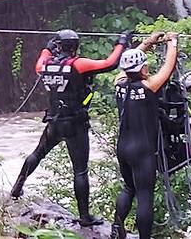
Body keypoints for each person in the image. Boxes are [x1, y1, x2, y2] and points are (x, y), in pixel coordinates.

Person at [10, 29, 128, 226]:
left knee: (38, 153)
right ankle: (84, 216)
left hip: (54, 122)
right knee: (80, 170)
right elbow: (111, 63)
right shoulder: (78, 64)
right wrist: (122, 42)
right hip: (75, 124)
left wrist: (48, 48)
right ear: (75, 46)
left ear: (59, 46)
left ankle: (17, 187)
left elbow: (42, 57)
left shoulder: (44, 65)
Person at [111, 32, 178, 239]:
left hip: (123, 148)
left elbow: (127, 65)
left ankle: (116, 230)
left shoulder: (119, 83)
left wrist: (147, 42)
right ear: (143, 69)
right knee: (145, 195)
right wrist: (172, 43)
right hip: (143, 150)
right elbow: (167, 68)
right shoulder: (149, 86)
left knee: (128, 188)